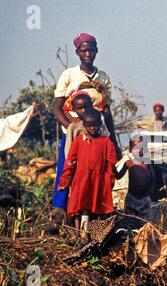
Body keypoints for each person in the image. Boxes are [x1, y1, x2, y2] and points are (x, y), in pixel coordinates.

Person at [52, 32, 121, 212]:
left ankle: (95, 212)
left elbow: (106, 111)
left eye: (91, 50)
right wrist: (72, 129)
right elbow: (56, 107)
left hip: (98, 135)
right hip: (74, 135)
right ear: (78, 52)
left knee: (97, 174)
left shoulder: (103, 78)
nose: (88, 54)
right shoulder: (69, 75)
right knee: (68, 170)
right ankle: (61, 213)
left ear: (96, 51)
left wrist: (113, 139)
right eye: (84, 51)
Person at [58, 109, 117, 232]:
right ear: (84, 125)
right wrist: (65, 179)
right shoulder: (79, 141)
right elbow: (70, 161)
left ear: (100, 124)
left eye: (95, 125)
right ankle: (79, 234)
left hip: (98, 181)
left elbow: (110, 162)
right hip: (81, 180)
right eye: (89, 125)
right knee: (79, 207)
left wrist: (108, 180)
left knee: (96, 207)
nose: (92, 128)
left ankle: (95, 234)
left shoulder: (105, 141)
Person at [115, 135, 156, 217]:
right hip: (131, 198)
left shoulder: (148, 163)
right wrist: (112, 167)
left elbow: (153, 179)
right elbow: (118, 176)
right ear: (130, 149)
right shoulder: (128, 163)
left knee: (144, 222)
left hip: (145, 199)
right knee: (131, 220)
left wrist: (152, 196)